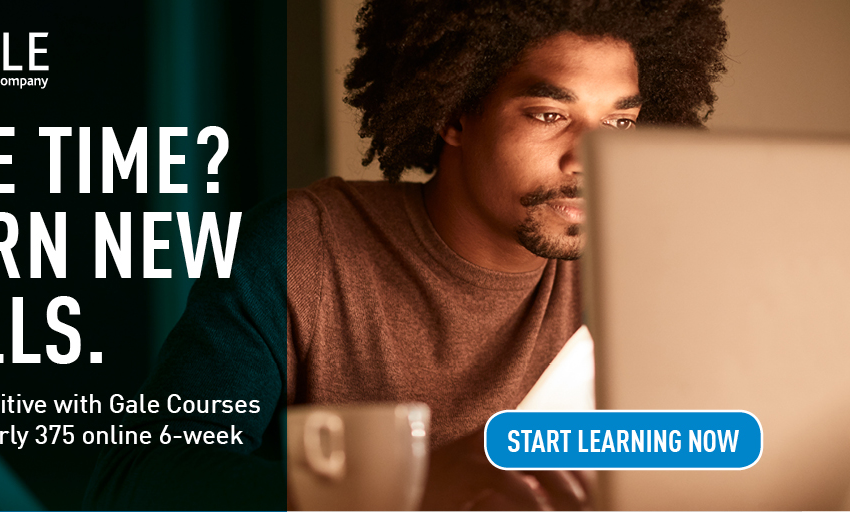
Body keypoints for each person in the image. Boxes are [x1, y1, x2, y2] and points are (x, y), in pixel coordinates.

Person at [84, 0, 727, 509]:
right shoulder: (305, 248)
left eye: (618, 124)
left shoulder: (641, 275)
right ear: (454, 114)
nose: (593, 159)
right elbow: (136, 479)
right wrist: (398, 492)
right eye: (545, 114)